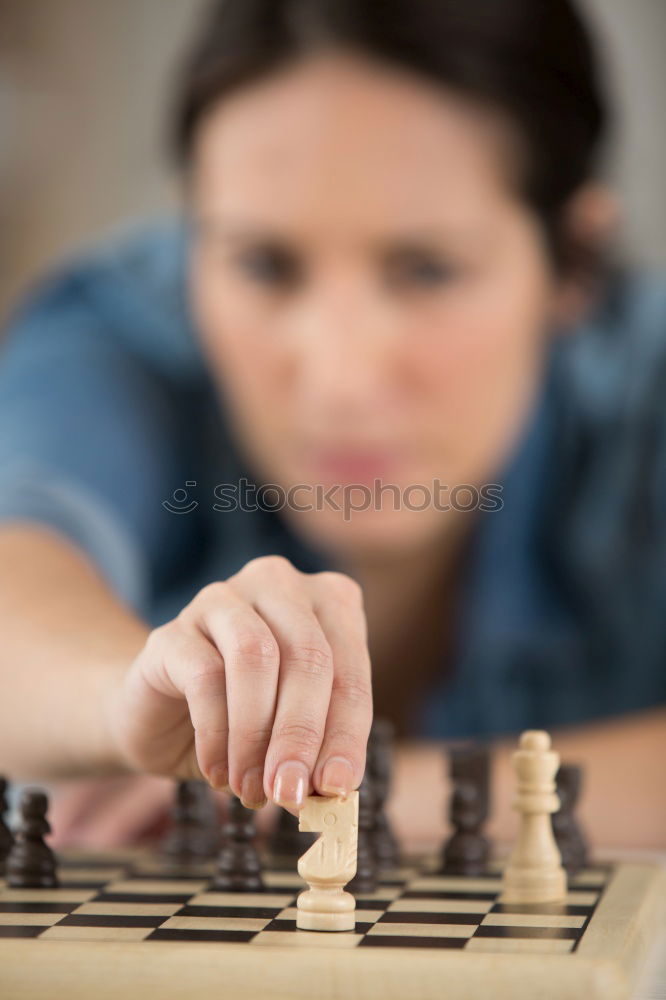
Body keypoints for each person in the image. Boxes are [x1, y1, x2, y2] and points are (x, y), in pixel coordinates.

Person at [0, 0, 664, 849]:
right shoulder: (117, 334)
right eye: (264, 264)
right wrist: (128, 699)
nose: (340, 377)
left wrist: (333, 796)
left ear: (575, 260)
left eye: (427, 269)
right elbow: (21, 562)